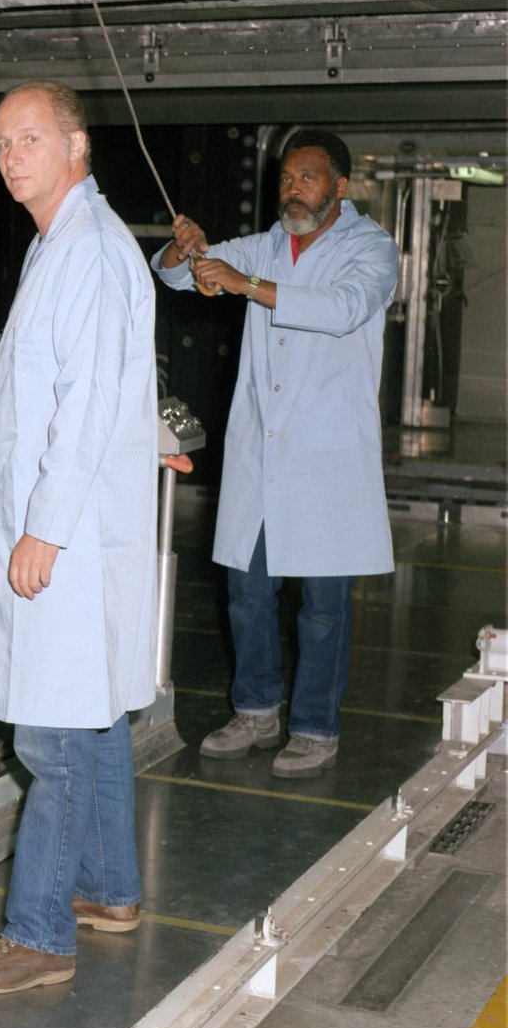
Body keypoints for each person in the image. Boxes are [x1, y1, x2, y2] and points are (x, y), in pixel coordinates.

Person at [0, 81, 166, 996]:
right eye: (2, 143)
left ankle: (37, 938)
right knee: (93, 720)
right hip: (68, 529)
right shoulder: (60, 245)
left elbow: (89, 403)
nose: (12, 156)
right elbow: (42, 368)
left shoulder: (93, 251)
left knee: (53, 746)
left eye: (31, 138)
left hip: (67, 533)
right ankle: (107, 891)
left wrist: (45, 530)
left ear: (77, 147)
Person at [154, 130, 398, 778]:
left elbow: (342, 309)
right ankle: (256, 711)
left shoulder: (371, 248)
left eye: (308, 178)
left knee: (321, 606)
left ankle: (315, 728)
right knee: (248, 590)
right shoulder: (265, 243)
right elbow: (179, 277)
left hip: (327, 458)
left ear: (339, 188)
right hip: (262, 452)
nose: (293, 188)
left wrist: (245, 282)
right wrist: (184, 252)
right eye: (286, 178)